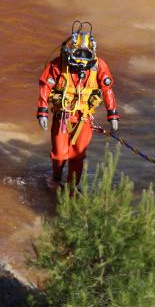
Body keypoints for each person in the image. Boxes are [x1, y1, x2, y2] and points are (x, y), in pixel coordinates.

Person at [37, 22, 120, 187]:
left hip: (84, 117)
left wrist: (113, 115)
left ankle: (72, 188)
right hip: (63, 116)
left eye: (86, 55)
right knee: (59, 154)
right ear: (70, 52)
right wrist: (42, 111)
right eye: (78, 55)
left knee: (77, 155)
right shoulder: (58, 65)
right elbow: (45, 86)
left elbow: (107, 89)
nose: (82, 61)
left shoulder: (98, 67)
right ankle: (56, 179)